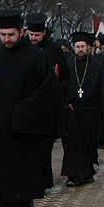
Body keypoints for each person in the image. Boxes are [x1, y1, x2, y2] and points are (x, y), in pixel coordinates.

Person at [0, 10, 62, 207]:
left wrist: (22, 113)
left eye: (11, 34)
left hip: (22, 133)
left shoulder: (36, 58)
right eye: (3, 34)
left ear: (21, 32)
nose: (7, 39)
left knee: (17, 180)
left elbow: (48, 91)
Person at [61, 32, 104, 187]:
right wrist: (66, 102)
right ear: (73, 48)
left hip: (91, 110)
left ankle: (86, 173)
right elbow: (61, 85)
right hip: (72, 109)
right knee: (72, 144)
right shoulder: (68, 63)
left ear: (88, 48)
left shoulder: (97, 65)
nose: (80, 49)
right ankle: (72, 175)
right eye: (77, 46)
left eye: (83, 46)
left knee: (88, 143)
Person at [26, 12, 68, 189]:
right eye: (31, 35)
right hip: (27, 105)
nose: (33, 38)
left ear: (44, 33)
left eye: (37, 35)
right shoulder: (24, 47)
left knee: (44, 148)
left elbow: (65, 77)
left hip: (47, 107)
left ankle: (43, 180)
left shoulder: (54, 50)